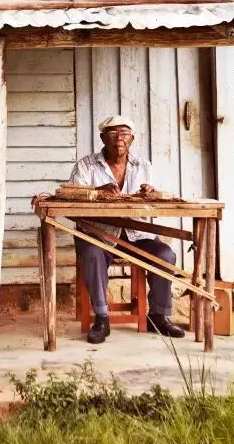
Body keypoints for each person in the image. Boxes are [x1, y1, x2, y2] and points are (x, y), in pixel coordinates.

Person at [69, 115, 186, 345]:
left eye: (124, 133)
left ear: (132, 139)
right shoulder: (85, 166)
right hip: (99, 234)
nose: (119, 138)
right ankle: (102, 318)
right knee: (92, 253)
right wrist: (98, 192)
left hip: (137, 235)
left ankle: (158, 316)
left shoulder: (144, 166)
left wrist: (151, 193)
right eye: (113, 133)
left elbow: (157, 199)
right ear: (102, 138)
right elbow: (71, 196)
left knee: (165, 255)